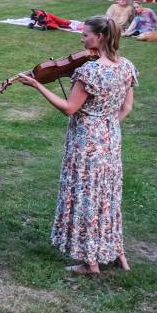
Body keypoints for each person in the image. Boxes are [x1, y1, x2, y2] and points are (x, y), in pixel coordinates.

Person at [17, 16, 136, 275]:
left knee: (86, 197)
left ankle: (90, 262)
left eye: (85, 35)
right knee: (107, 196)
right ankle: (118, 253)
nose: (82, 40)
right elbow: (126, 107)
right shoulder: (126, 66)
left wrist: (37, 84)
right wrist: (106, 123)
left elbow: (70, 108)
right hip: (110, 138)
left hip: (86, 141)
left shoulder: (89, 71)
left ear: (100, 37)